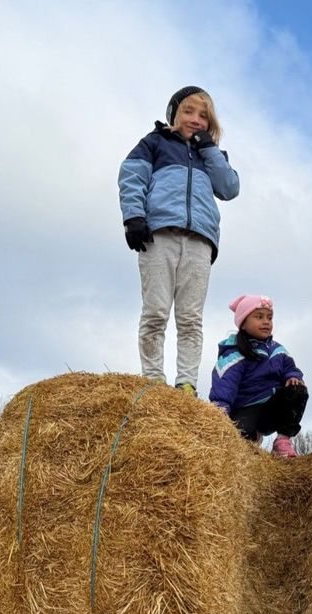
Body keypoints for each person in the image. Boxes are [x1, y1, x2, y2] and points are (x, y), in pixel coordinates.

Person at [118, 85, 240, 396]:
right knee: (156, 311)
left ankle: (186, 383)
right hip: (158, 234)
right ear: (174, 114)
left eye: (204, 116)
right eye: (188, 111)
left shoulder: (212, 156)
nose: (196, 119)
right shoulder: (154, 143)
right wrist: (134, 217)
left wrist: (209, 148)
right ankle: (153, 379)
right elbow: (131, 176)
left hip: (200, 240)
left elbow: (229, 188)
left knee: (190, 318)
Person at [209, 295, 307, 457]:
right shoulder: (235, 353)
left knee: (298, 389)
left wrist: (292, 375)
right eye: (259, 317)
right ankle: (253, 437)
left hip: (271, 407)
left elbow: (290, 367)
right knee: (241, 434)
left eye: (269, 318)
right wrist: (221, 406)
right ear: (244, 323)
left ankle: (282, 440)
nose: (266, 322)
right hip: (246, 409)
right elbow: (225, 382)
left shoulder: (278, 350)